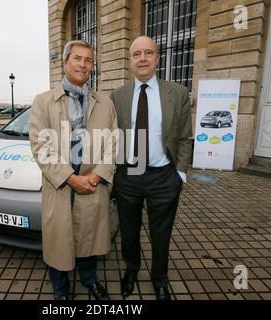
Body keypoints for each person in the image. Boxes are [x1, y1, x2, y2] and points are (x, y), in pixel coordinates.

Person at [29, 40, 117, 300]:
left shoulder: (104, 102)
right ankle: (61, 291)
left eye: (88, 60)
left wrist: (97, 174)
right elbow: (40, 146)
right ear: (65, 62)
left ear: (92, 66)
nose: (83, 64)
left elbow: (114, 142)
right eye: (77, 58)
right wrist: (69, 178)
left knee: (89, 238)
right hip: (61, 185)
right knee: (60, 242)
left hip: (92, 182)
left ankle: (90, 281)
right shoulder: (43, 101)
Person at [110, 36, 192, 300]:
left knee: (161, 233)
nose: (142, 58)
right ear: (130, 61)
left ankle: (160, 279)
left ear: (157, 58)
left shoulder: (177, 92)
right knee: (129, 231)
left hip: (163, 176)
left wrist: (178, 174)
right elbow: (113, 137)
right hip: (129, 174)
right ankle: (131, 270)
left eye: (148, 53)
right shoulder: (118, 96)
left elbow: (184, 137)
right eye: (136, 54)